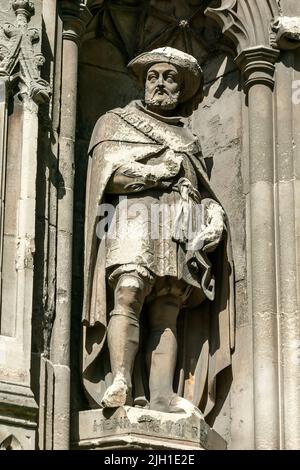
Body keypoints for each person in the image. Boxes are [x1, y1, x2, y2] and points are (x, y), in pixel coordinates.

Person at [82, 47, 235, 417]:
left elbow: (203, 191)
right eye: (155, 76)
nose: (161, 84)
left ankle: (162, 395)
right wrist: (153, 174)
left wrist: (214, 216)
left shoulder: (189, 138)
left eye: (170, 78)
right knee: (129, 291)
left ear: (181, 88)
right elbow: (106, 179)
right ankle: (119, 379)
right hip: (131, 220)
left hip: (178, 228)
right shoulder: (115, 122)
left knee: (167, 308)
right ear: (144, 81)